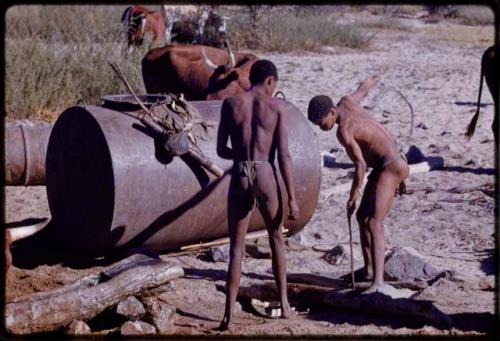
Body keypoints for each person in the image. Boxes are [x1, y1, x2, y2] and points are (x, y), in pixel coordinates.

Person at [216, 59, 299, 331]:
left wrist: (241, 157)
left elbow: (220, 150)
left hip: (240, 173)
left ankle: (228, 317)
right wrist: (292, 197)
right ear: (270, 82)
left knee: (236, 248)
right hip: (265, 173)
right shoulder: (276, 107)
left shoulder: (230, 104)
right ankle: (285, 306)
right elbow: (284, 155)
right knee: (276, 238)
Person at [307, 75, 409, 293]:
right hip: (388, 163)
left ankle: (378, 282)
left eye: (321, 122)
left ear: (332, 113)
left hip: (391, 166)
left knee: (374, 223)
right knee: (362, 216)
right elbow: (363, 89)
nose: (320, 127)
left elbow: (361, 166)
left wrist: (352, 196)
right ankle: (369, 270)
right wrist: (375, 78)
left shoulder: (344, 131)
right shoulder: (347, 101)